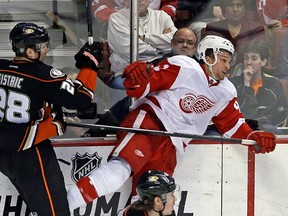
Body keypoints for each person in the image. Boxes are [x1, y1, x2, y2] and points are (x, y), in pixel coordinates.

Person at [67, 35, 276, 211]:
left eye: (229, 61)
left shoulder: (226, 91)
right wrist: (137, 78)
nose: (228, 66)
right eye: (223, 59)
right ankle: (59, 208)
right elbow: (145, 85)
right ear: (208, 56)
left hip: (173, 145)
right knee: (120, 170)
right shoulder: (185, 67)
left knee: (152, 200)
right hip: (150, 123)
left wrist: (251, 136)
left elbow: (231, 123)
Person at [0, 22, 102, 215]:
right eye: (43, 46)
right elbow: (81, 100)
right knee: (55, 212)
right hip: (31, 154)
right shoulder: (43, 75)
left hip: (4, 153)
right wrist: (89, 66)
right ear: (30, 52)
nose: (47, 50)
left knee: (38, 208)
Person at [107, 0, 177, 89]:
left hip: (158, 71)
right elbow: (131, 52)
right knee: (142, 87)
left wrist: (144, 38)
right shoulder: (116, 19)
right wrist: (161, 48)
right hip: (125, 74)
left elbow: (175, 42)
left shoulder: (162, 16)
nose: (139, 1)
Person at [229, 39, 288, 134]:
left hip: (267, 132)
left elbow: (279, 117)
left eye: (254, 58)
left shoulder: (274, 85)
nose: (248, 62)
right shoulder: (233, 84)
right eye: (246, 58)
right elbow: (242, 116)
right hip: (238, 131)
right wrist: (247, 84)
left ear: (263, 62)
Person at [204, 0, 265, 65]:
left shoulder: (256, 28)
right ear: (224, 9)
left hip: (248, 69)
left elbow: (260, 54)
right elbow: (209, 56)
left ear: (245, 9)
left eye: (239, 5)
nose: (235, 10)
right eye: (231, 5)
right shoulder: (214, 28)